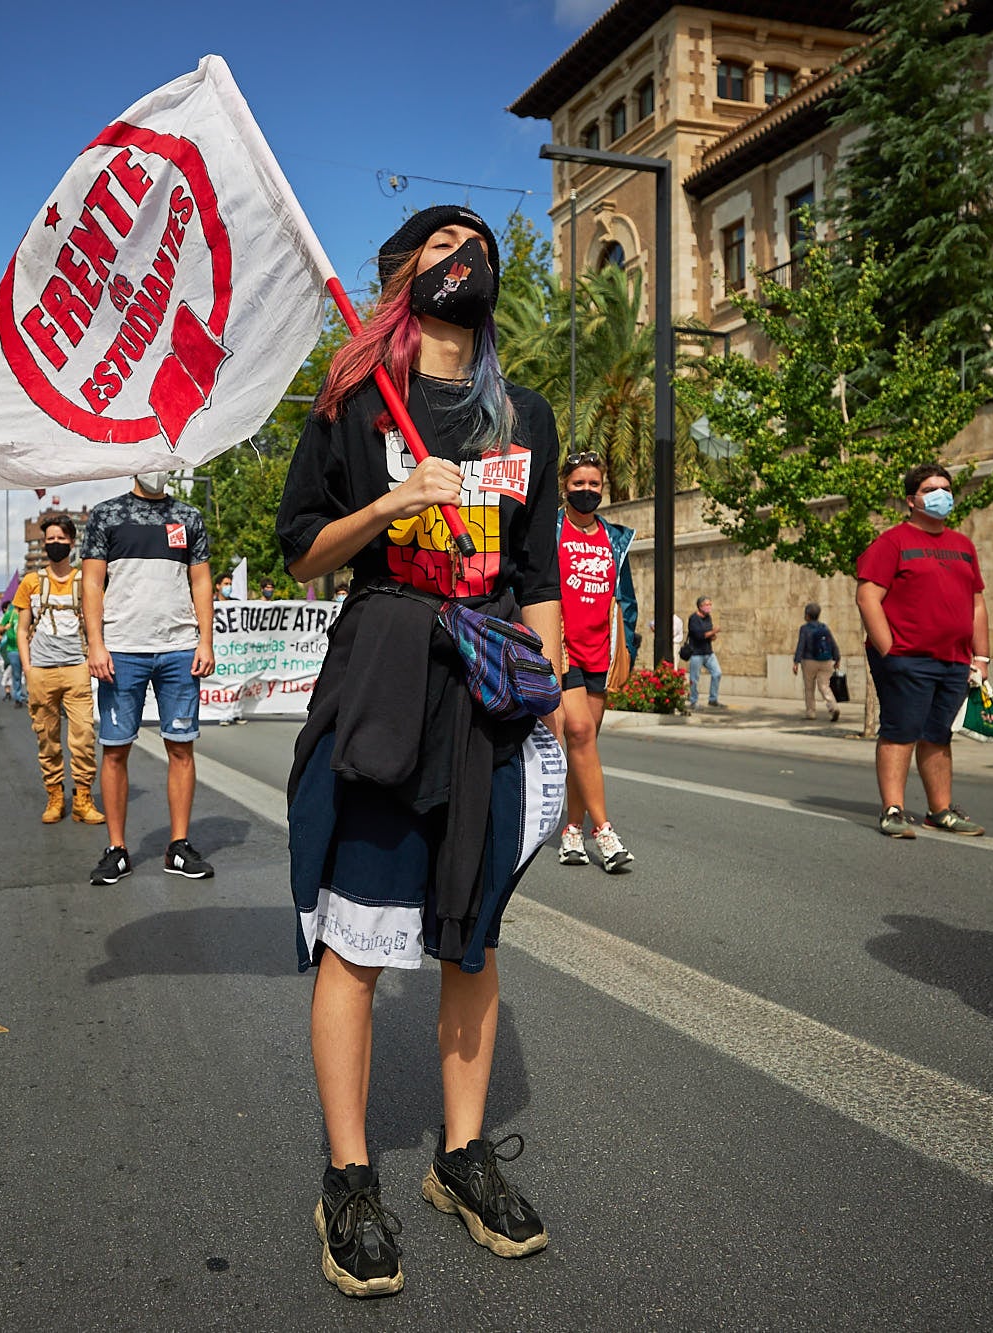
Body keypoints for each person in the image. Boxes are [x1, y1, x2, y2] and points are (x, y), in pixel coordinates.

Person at [276, 206, 562, 1298]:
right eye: (442, 246)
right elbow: (303, 548)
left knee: (470, 936)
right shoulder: (351, 403)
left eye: (479, 246)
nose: (467, 259)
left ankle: (460, 1155)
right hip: (387, 673)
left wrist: (557, 692)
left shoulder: (520, 413)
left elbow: (535, 570)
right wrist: (393, 501)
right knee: (356, 939)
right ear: (400, 276)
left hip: (488, 691)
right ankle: (347, 1178)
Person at [82, 472, 216, 885]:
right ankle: (117, 849)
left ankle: (178, 846)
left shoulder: (188, 516)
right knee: (116, 750)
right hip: (121, 650)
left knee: (181, 747)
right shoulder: (107, 515)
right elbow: (91, 582)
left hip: (178, 648)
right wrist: (96, 643)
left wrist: (205, 641)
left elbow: (201, 581)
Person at [855, 463, 990, 839]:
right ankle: (893, 810)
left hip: (954, 661)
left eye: (946, 487)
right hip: (907, 659)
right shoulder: (893, 542)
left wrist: (982, 658)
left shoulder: (963, 546)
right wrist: (890, 651)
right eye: (931, 489)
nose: (941, 495)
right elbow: (868, 597)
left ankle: (940, 811)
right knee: (901, 732)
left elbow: (976, 603)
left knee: (938, 735)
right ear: (911, 499)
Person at [555, 450, 637, 873]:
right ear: (564, 487)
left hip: (599, 654)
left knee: (582, 747)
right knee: (580, 731)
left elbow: (626, 599)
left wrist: (631, 651)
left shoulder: (615, 540)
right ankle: (604, 833)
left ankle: (571, 832)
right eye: (578, 484)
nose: (586, 491)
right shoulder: (550, 531)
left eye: (594, 485)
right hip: (563, 649)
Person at [16, 513, 103, 826]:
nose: (54, 544)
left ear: (71, 542)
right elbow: (22, 629)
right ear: (43, 543)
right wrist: (27, 668)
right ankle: (54, 795)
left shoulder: (86, 581)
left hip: (76, 668)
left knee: (83, 736)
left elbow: (98, 623)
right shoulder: (31, 582)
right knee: (47, 738)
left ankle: (83, 798)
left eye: (60, 539)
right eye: (49, 540)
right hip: (41, 670)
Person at [794, 602, 842, 724]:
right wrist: (837, 659)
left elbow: (801, 645)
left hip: (809, 661)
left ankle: (811, 712)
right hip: (826, 661)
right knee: (824, 686)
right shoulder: (824, 628)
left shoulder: (804, 629)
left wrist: (796, 662)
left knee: (809, 687)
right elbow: (833, 644)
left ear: (808, 615)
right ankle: (833, 707)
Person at [684, 596, 722, 710]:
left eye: (710, 605)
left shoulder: (708, 618)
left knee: (717, 673)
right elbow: (700, 635)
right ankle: (693, 701)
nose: (709, 607)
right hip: (696, 653)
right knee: (694, 678)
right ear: (700, 606)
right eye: (706, 605)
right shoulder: (694, 619)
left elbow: (708, 633)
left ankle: (713, 699)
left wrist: (712, 635)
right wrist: (713, 632)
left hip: (708, 652)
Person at [0, 601, 26, 705]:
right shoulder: (10, 614)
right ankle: (18, 697)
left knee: (29, 673)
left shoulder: (27, 612)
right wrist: (5, 628)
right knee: (16, 674)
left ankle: (31, 696)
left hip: (27, 648)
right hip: (13, 649)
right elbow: (0, 629)